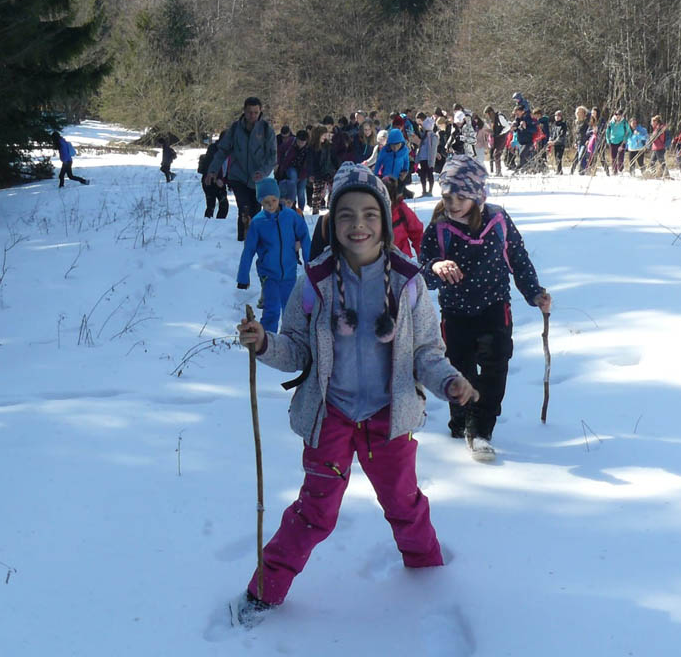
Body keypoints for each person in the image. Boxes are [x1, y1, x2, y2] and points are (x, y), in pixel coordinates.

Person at [232, 163, 478, 625]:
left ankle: (429, 580)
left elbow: (426, 350)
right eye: (346, 215)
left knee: (404, 503)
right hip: (332, 416)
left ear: (385, 220)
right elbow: (296, 351)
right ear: (331, 222)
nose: (358, 225)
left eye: (369, 214)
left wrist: (448, 381)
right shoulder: (314, 284)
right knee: (315, 511)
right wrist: (264, 343)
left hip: (389, 417)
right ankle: (266, 590)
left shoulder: (408, 283)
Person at [418, 156, 552, 461]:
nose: (452, 203)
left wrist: (534, 293)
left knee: (495, 366)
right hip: (455, 314)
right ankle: (462, 421)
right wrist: (436, 266)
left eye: (461, 197)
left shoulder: (498, 221)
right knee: (459, 369)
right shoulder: (440, 228)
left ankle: (481, 429)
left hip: (494, 309)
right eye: (447, 196)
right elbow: (422, 272)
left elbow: (518, 259)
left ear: (478, 195)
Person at [237, 177, 311, 333]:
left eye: (273, 200)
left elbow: (304, 236)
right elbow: (249, 250)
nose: (270, 205)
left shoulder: (291, 217)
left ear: (279, 198)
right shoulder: (258, 223)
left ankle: (291, 341)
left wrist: (309, 262)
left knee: (290, 310)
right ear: (260, 202)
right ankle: (267, 342)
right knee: (272, 309)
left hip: (289, 273)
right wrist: (243, 277)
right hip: (268, 275)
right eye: (266, 202)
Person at [208, 97, 278, 241]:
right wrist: (213, 170)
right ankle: (242, 241)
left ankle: (255, 239)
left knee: (256, 209)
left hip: (258, 178)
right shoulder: (235, 129)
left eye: (255, 112)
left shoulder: (266, 130)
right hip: (238, 176)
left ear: (260, 112)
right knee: (244, 208)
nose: (252, 116)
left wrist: (263, 172)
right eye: (249, 112)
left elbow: (272, 156)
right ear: (244, 111)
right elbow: (222, 151)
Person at [387, 178, 424, 257]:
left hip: (402, 260)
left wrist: (423, 257)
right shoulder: (374, 213)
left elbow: (418, 234)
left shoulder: (402, 210)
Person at [198, 133, 229, 219]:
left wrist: (227, 181)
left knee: (224, 205)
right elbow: (209, 164)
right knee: (211, 205)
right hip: (209, 180)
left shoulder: (232, 150)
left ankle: (219, 224)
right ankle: (207, 225)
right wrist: (215, 177)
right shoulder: (213, 148)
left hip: (221, 182)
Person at [415, 115, 439, 197]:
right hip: (423, 158)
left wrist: (432, 160)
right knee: (423, 175)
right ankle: (424, 191)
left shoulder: (433, 136)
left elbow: (433, 150)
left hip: (429, 159)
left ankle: (430, 191)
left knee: (430, 175)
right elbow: (421, 147)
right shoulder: (423, 136)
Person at [548, 110, 569, 175]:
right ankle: (558, 170)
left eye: (559, 116)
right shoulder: (554, 124)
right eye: (556, 116)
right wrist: (551, 140)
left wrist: (555, 141)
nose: (557, 117)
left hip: (561, 143)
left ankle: (559, 171)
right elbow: (552, 134)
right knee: (556, 156)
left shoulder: (563, 125)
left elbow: (562, 135)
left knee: (559, 156)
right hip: (555, 143)